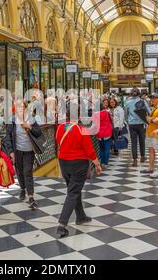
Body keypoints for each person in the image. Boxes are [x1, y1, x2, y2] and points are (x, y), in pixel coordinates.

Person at [55, 102, 103, 237]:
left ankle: (80, 216)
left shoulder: (60, 128)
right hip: (78, 164)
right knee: (73, 192)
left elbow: (58, 142)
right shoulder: (81, 129)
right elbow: (89, 151)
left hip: (63, 162)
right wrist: (97, 164)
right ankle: (62, 225)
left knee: (73, 189)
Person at [3, 100, 42, 209]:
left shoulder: (31, 119)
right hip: (17, 151)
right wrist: (11, 151)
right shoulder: (12, 121)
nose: (20, 109)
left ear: (26, 108)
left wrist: (29, 127)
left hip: (29, 150)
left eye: (22, 107)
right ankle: (22, 189)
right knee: (19, 171)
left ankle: (31, 197)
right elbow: (8, 137)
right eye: (17, 107)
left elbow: (38, 132)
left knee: (27, 172)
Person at [125, 87, 151, 167]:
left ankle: (135, 160)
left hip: (132, 124)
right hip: (141, 124)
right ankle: (142, 157)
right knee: (142, 140)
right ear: (139, 93)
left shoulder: (127, 102)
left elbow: (126, 114)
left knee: (133, 142)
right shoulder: (142, 101)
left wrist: (128, 121)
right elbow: (149, 112)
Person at [142, 93, 158, 174]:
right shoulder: (153, 108)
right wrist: (150, 119)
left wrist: (150, 119)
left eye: (154, 98)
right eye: (151, 98)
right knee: (151, 150)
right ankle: (150, 168)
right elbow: (154, 120)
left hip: (156, 132)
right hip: (150, 132)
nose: (152, 100)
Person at [94, 98, 113, 169]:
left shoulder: (95, 115)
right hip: (107, 133)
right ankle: (105, 163)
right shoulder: (106, 113)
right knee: (107, 149)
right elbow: (110, 121)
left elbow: (95, 124)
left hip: (99, 134)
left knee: (101, 149)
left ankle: (102, 162)